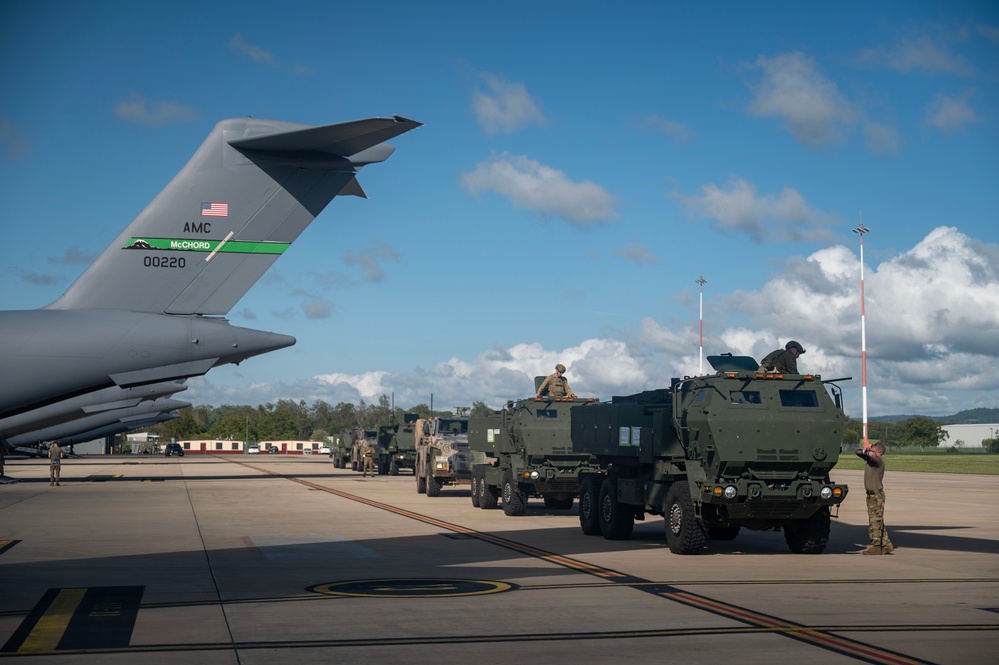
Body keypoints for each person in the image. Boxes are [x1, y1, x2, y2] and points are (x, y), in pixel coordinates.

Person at [856, 442, 894, 555]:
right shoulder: (870, 460)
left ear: (879, 452)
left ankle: (876, 546)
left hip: (876, 495)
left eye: (872, 448)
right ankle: (886, 544)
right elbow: (857, 452)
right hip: (871, 495)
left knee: (874, 522)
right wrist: (865, 452)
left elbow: (873, 456)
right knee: (878, 520)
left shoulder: (878, 461)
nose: (869, 450)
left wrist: (869, 452)